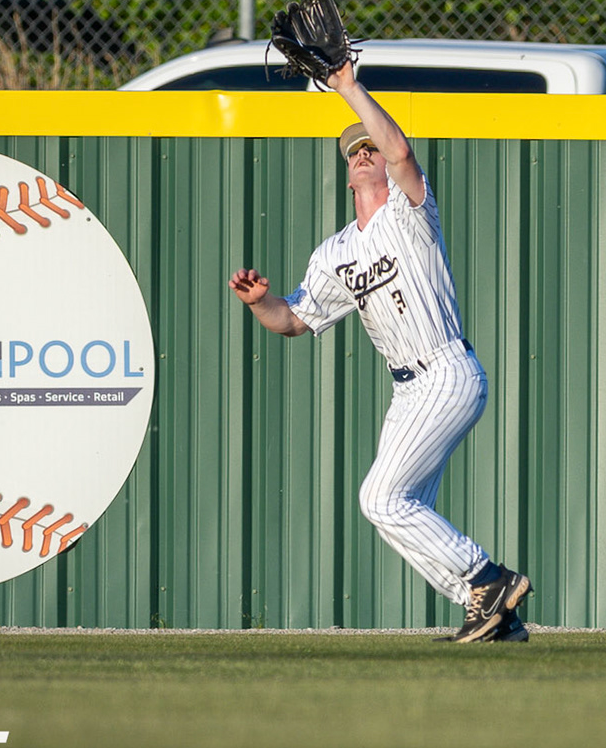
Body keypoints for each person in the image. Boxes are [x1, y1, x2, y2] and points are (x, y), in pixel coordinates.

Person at [227, 61, 532, 643]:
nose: (364, 153)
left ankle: (488, 578)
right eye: (354, 151)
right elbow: (293, 321)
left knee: (380, 498)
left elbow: (401, 152)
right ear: (347, 175)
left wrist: (347, 86)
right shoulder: (334, 254)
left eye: (369, 145)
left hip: (445, 369)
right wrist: (260, 303)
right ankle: (493, 613)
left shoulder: (412, 212)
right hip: (407, 389)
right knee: (399, 506)